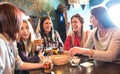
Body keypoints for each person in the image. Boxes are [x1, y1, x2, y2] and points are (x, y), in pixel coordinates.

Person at [0, 2, 44, 74]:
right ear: (12, 22)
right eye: (20, 21)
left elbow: (19, 64)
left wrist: (42, 65)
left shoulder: (12, 41)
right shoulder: (1, 43)